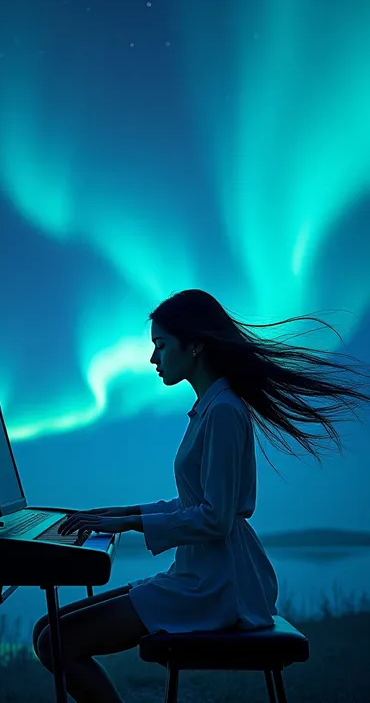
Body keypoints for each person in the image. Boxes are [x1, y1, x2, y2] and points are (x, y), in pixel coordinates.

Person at [32, 288, 370, 703]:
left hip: (217, 586)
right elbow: (196, 503)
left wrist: (130, 523)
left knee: (55, 642)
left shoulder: (224, 411)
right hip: (202, 574)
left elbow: (215, 517)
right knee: (45, 631)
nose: (153, 359)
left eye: (160, 346)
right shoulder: (210, 407)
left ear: (194, 346)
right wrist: (120, 512)